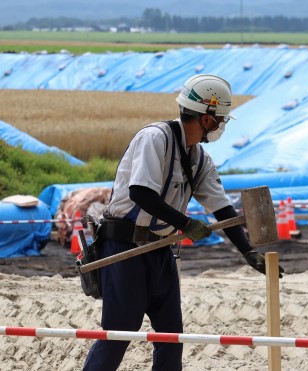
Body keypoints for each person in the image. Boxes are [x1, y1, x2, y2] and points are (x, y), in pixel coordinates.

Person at [83, 74, 284, 371]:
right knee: (118, 333)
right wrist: (186, 223)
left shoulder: (199, 158)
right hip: (124, 248)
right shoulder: (155, 139)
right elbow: (141, 193)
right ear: (206, 119)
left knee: (171, 336)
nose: (222, 126)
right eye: (220, 120)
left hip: (161, 251)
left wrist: (248, 251)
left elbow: (223, 210)